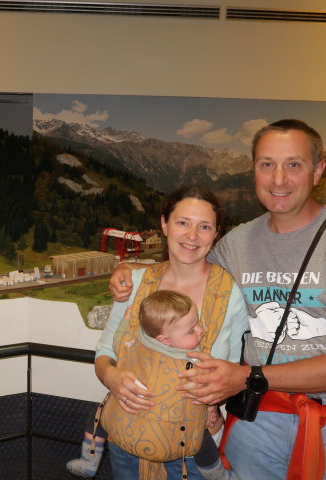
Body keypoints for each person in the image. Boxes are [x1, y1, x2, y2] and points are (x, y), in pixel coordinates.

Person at [110, 119, 326, 479]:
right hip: (259, 420)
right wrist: (131, 268)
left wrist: (247, 376)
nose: (279, 179)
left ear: (318, 171)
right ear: (254, 170)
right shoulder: (237, 243)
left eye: (294, 164)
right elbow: (185, 264)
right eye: (267, 164)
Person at [93, 185, 249, 479]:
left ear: (215, 233)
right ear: (164, 225)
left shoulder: (230, 294)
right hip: (128, 437)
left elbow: (236, 367)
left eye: (204, 227)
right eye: (183, 223)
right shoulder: (135, 283)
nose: (192, 236)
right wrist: (111, 377)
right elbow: (104, 352)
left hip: (194, 447)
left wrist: (214, 399)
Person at [67, 289, 236, 480]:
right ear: (165, 340)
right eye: (192, 329)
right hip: (175, 428)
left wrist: (126, 321)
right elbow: (207, 387)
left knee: (101, 414)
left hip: (132, 418)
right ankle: (218, 475)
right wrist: (209, 407)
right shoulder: (195, 360)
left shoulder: (134, 343)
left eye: (197, 323)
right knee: (201, 441)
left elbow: (118, 340)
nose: (201, 330)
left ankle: (89, 460)